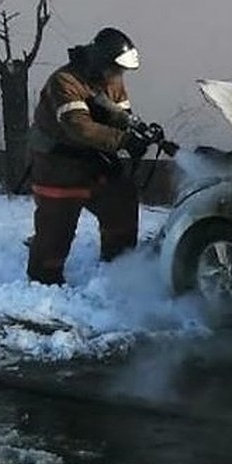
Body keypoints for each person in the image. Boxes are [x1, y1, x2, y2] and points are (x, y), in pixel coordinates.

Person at [25, 27, 153, 285]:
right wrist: (123, 141)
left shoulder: (113, 80)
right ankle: (44, 280)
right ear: (100, 60)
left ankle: (119, 266)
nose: (118, 76)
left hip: (94, 162)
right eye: (115, 69)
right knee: (55, 231)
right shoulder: (64, 81)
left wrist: (137, 132)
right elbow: (79, 127)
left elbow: (122, 116)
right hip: (58, 167)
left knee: (121, 198)